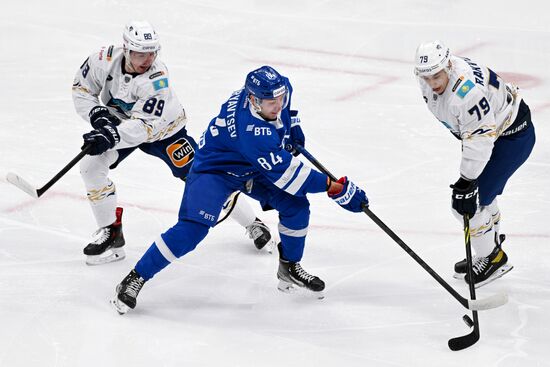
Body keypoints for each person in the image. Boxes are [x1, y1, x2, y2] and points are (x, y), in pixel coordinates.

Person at [110, 65, 369, 314]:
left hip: (251, 166)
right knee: (191, 231)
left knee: (296, 207)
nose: (278, 105)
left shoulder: (276, 91)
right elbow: (293, 177)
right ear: (254, 101)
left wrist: (294, 129)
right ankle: (136, 277)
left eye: (280, 98)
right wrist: (336, 189)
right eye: (271, 103)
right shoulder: (252, 131)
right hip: (216, 171)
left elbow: (288, 110)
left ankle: (289, 267)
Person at [72, 21, 274, 265]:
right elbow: (81, 89)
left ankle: (252, 223)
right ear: (125, 49)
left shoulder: (156, 78)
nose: (147, 59)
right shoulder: (101, 60)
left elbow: (145, 126)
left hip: (165, 131)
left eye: (152, 53)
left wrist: (109, 136)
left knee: (208, 180)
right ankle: (111, 233)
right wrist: (97, 115)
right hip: (119, 126)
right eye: (140, 53)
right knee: (90, 167)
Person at [414, 41, 536, 287]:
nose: (433, 83)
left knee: (466, 204)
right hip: (499, 133)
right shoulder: (434, 74)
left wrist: (467, 180)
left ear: (448, 66)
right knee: (483, 196)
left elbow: (480, 139)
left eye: (437, 76)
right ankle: (491, 245)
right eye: (426, 77)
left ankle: (493, 259)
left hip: (511, 138)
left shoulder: (466, 94)